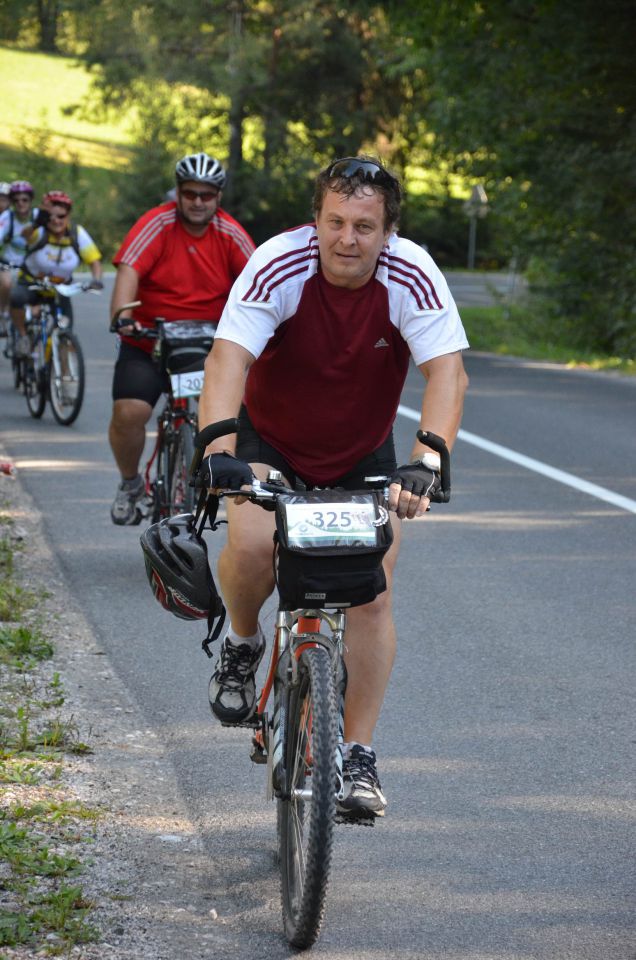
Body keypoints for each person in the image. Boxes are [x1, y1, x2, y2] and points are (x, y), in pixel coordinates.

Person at [196, 155, 469, 820]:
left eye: (365, 226)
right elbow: (229, 357)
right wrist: (219, 450)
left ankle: (359, 754)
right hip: (271, 444)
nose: (348, 239)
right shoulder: (278, 263)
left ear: (388, 231)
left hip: (363, 454)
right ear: (314, 220)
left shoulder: (412, 273)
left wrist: (427, 460)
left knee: (371, 592)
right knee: (256, 546)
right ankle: (241, 641)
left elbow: (447, 374)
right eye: (336, 222)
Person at [108, 151, 256, 526]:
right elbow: (128, 270)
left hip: (207, 346)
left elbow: (259, 282)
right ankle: (129, 484)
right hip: (150, 343)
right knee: (130, 412)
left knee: (234, 418)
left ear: (218, 198)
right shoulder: (156, 224)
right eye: (190, 194)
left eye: (206, 195)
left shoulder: (230, 233)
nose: (197, 202)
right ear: (178, 193)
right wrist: (123, 315)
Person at [9, 191, 103, 356]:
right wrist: (38, 222)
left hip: (60, 289)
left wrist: (96, 280)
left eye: (61, 216)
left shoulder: (76, 233)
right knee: (16, 297)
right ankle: (23, 336)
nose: (56, 220)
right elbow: (24, 237)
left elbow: (94, 262)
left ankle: (64, 375)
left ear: (68, 215)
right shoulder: (39, 231)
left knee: (66, 330)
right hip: (31, 284)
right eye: (51, 216)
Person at [0, 180, 38, 334]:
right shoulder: (6, 218)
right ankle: (3, 313)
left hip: (30, 266)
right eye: (16, 201)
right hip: (7, 262)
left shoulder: (37, 216)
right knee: (7, 284)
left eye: (25, 200)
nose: (21, 204)